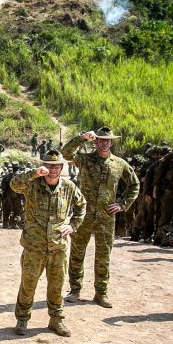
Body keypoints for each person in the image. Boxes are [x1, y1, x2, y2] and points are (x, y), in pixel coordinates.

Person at [10, 150, 87, 336]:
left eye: (57, 166)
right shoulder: (32, 185)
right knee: (28, 283)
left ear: (62, 167)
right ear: (44, 166)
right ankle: (22, 319)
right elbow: (14, 184)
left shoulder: (68, 187)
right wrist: (34, 173)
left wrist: (73, 225)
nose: (53, 169)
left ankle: (56, 320)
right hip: (34, 246)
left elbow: (81, 206)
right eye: (50, 165)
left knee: (57, 285)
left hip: (58, 247)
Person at [61, 127, 139, 307]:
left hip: (106, 216)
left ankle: (101, 293)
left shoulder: (119, 164)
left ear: (111, 142)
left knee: (103, 256)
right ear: (96, 142)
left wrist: (122, 204)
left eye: (107, 140)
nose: (104, 143)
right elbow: (65, 153)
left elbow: (134, 185)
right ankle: (74, 290)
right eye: (101, 140)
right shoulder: (85, 160)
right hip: (84, 215)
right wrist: (81, 138)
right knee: (77, 253)